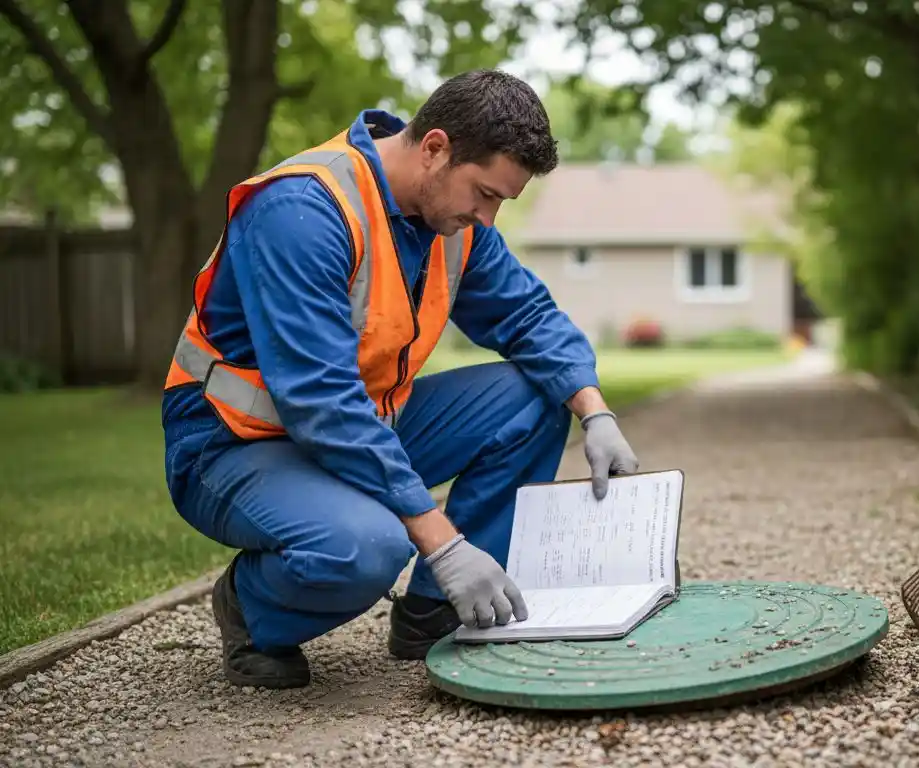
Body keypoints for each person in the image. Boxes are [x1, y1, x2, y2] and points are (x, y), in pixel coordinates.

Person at [161, 69, 640, 690]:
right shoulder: (301, 210)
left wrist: (594, 411)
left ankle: (436, 613)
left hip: (360, 425)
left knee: (538, 398)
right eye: (485, 194)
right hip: (234, 443)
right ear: (436, 148)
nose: (487, 217)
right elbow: (319, 400)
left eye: (501, 202)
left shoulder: (452, 223)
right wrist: (443, 543)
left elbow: (527, 315)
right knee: (368, 547)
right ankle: (251, 609)